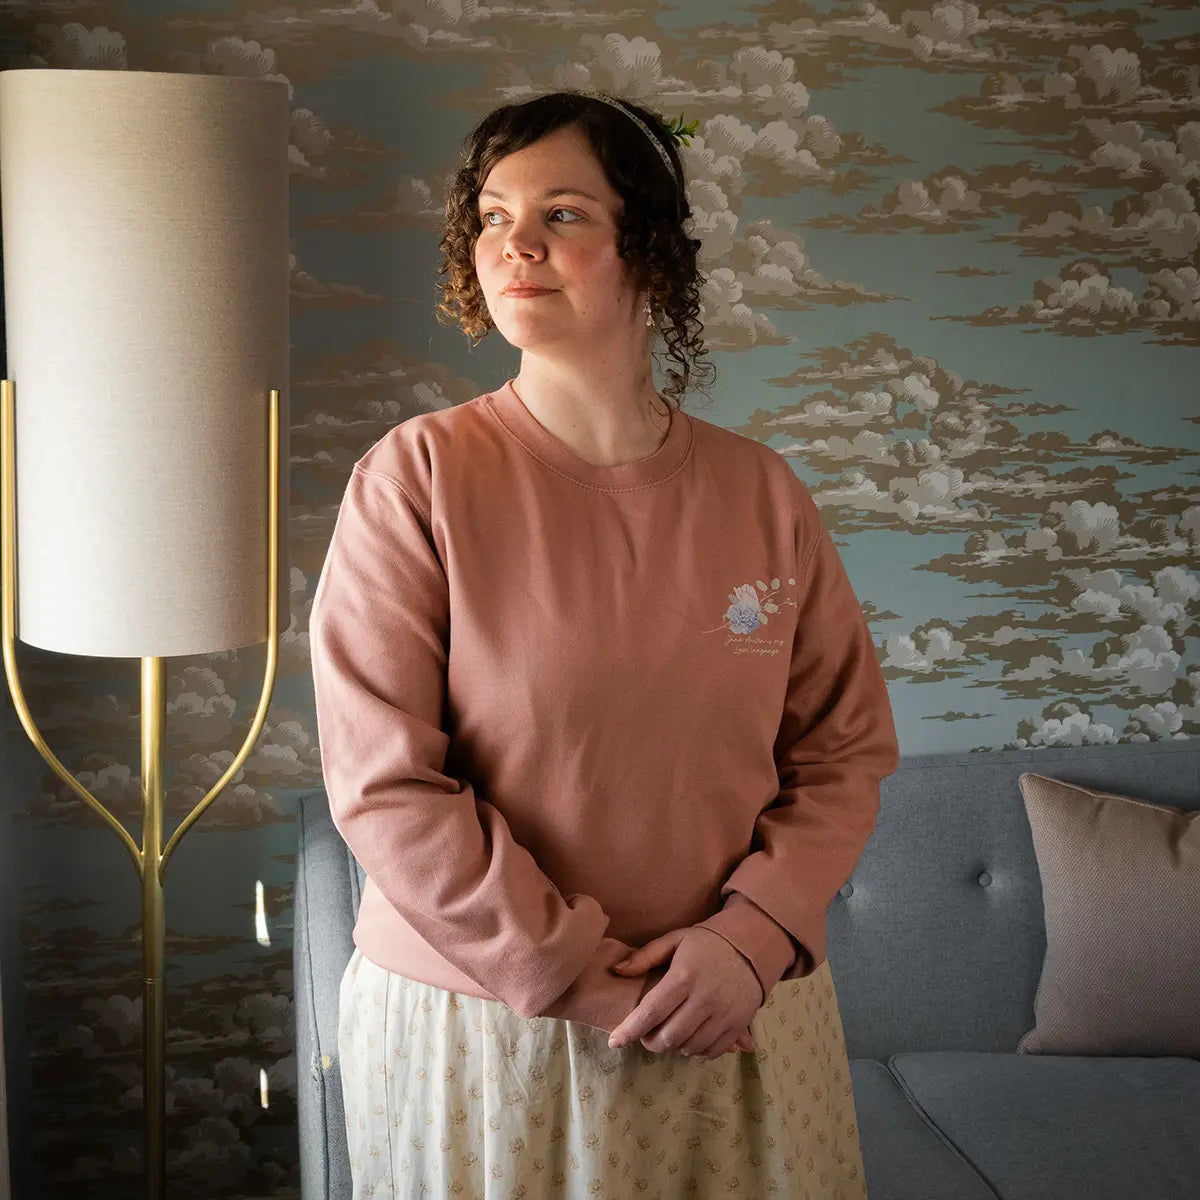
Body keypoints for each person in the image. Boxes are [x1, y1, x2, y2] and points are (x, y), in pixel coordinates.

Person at [309, 89, 899, 1200]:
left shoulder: (763, 494)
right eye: (490, 216)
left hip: (740, 1017)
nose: (514, 243)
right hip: (490, 1034)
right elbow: (387, 787)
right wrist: (579, 975)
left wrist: (753, 940)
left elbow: (843, 755)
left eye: (562, 213)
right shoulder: (415, 481)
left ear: (649, 252)